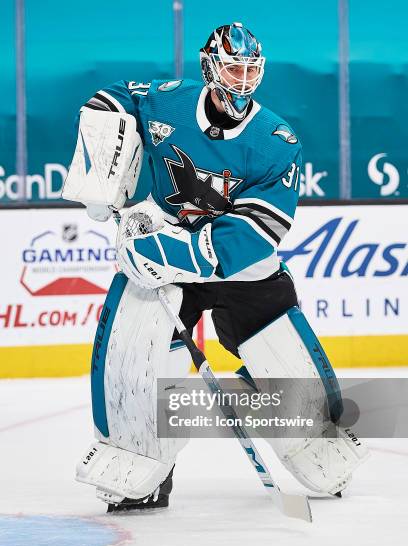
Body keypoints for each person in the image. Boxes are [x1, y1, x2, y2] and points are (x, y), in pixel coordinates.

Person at [64, 23, 367, 513]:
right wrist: (101, 174)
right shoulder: (168, 99)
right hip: (161, 243)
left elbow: (259, 230)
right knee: (133, 356)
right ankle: (139, 460)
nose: (242, 79)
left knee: (285, 360)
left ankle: (312, 442)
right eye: (233, 67)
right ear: (210, 66)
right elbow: (111, 101)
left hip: (233, 265)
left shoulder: (277, 140)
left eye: (251, 69)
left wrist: (174, 252)